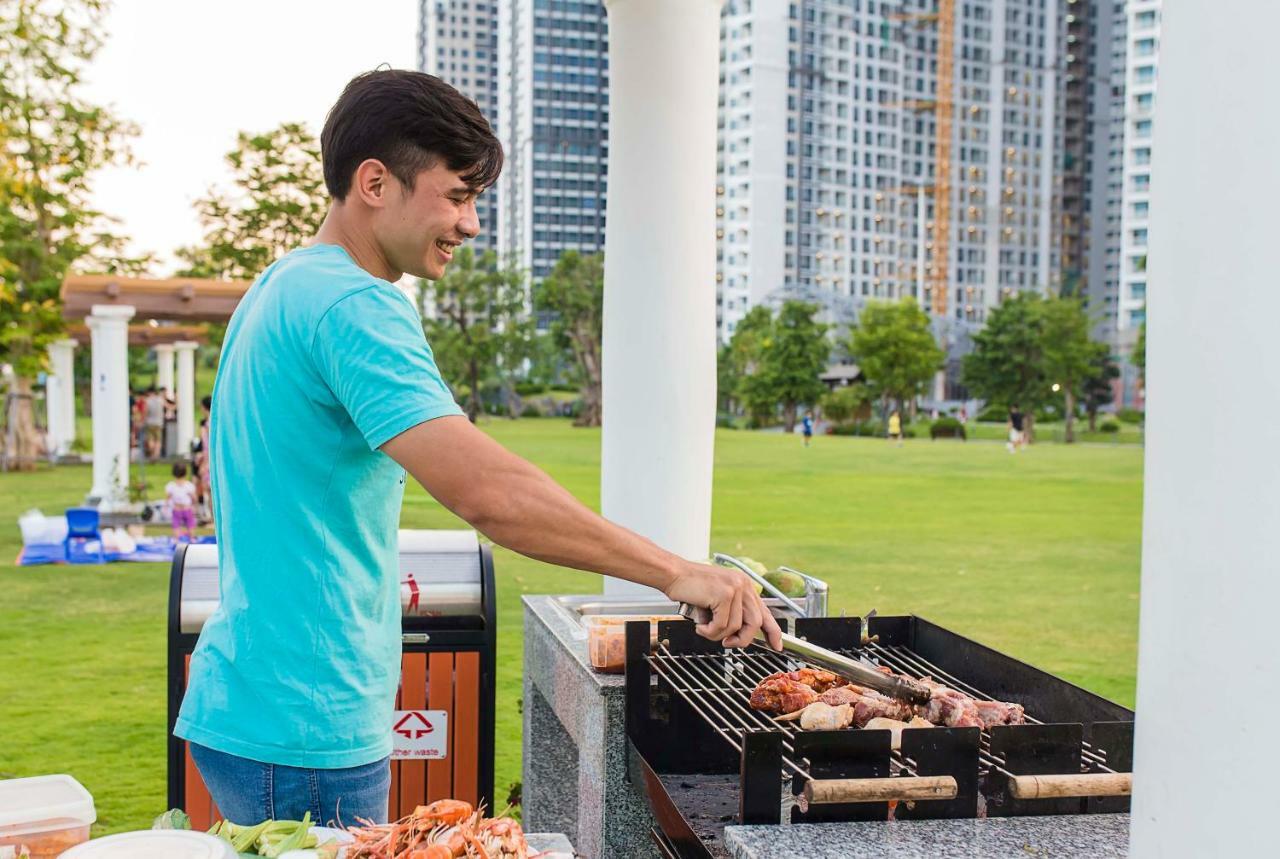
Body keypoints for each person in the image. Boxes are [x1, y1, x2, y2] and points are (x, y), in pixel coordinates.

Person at [175, 70, 783, 827]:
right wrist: (675, 571)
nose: (470, 223)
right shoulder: (358, 305)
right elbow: (489, 494)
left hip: (255, 701)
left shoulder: (281, 286)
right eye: (457, 195)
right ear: (374, 182)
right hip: (305, 722)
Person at [167, 462, 198, 542]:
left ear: (173, 473)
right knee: (190, 524)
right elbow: (194, 497)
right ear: (185, 473)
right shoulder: (188, 485)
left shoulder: (171, 485)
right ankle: (192, 538)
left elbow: (168, 498)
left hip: (177, 509)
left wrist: (166, 506)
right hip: (187, 508)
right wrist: (194, 504)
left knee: (176, 525)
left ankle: (176, 539)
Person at [195, 396, 213, 524]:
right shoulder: (214, 421)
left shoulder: (208, 424)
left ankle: (213, 518)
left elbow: (208, 445)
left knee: (210, 490)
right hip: (210, 459)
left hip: (209, 461)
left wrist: (205, 463)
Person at [144, 387, 165, 460]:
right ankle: (156, 455)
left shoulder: (148, 400)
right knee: (158, 440)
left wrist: (143, 420)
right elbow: (167, 406)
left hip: (150, 422)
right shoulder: (160, 400)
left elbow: (146, 412)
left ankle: (152, 453)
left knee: (151, 439)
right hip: (159, 423)